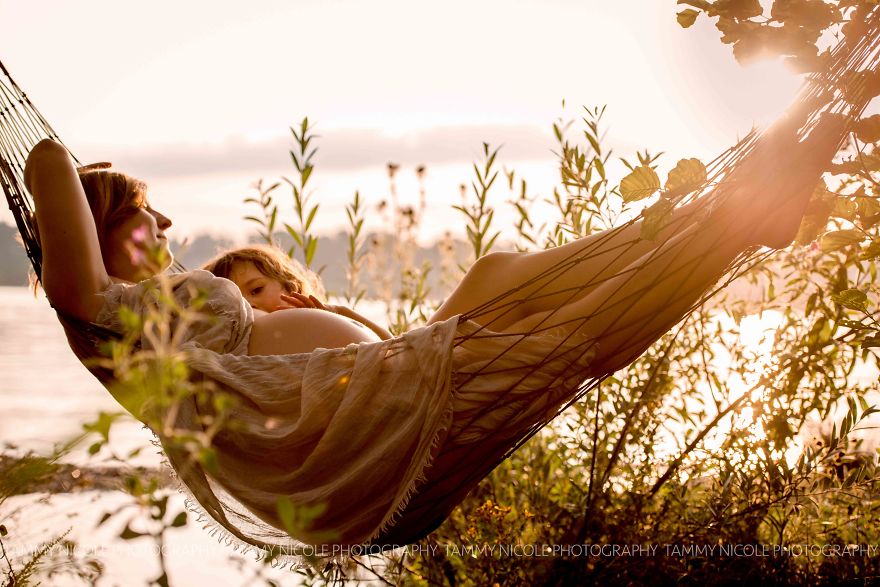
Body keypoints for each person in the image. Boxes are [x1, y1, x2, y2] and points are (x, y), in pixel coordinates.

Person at [22, 111, 847, 547]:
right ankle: (704, 225)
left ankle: (719, 228)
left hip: (373, 418)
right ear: (101, 230)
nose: (164, 216)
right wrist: (51, 158)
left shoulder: (150, 312)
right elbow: (67, 253)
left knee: (554, 331)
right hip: (358, 437)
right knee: (538, 319)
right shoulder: (111, 312)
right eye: (140, 208)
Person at [202, 245, 393, 340]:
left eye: (256, 290)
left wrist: (337, 312)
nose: (248, 304)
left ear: (290, 287)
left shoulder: (319, 321)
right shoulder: (234, 352)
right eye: (233, 301)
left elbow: (390, 345)